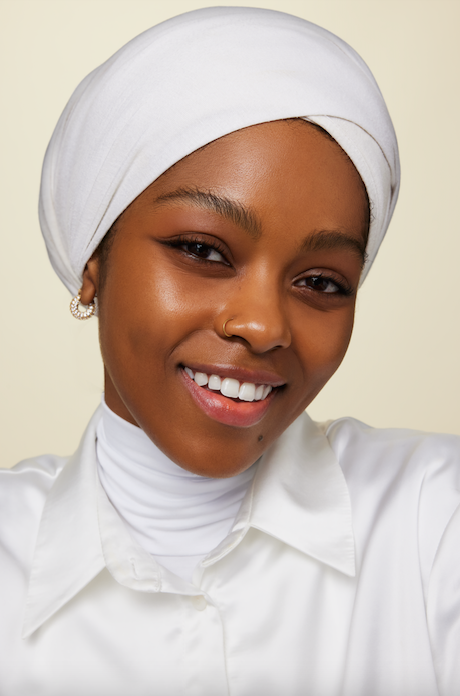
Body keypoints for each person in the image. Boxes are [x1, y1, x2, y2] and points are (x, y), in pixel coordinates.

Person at [0, 7, 458, 695]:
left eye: (320, 282)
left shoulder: (435, 521)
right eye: (202, 250)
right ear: (92, 261)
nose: (263, 325)